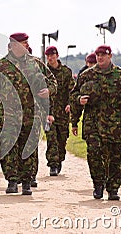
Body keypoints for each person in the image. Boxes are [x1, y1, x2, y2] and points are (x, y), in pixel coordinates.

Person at [0, 32, 57, 195]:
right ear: (14, 45)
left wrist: (48, 90)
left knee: (28, 147)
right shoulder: (1, 65)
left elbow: (52, 81)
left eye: (26, 43)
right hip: (7, 115)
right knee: (8, 147)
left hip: (31, 114)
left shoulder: (35, 63)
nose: (26, 46)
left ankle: (26, 181)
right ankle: (12, 180)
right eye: (24, 43)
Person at [70, 45, 121, 200]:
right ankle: (98, 185)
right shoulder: (87, 75)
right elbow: (74, 95)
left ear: (110, 56)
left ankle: (113, 188)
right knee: (94, 154)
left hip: (115, 125)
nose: (100, 57)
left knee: (115, 156)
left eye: (103, 55)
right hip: (93, 124)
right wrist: (77, 106)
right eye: (98, 55)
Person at [44, 46, 75, 176]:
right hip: (48, 111)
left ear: (57, 55)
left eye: (52, 55)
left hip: (62, 111)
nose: (50, 58)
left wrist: (70, 104)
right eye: (48, 56)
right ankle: (53, 164)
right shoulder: (43, 72)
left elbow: (72, 91)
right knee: (51, 138)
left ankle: (59, 159)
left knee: (62, 138)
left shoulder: (66, 72)